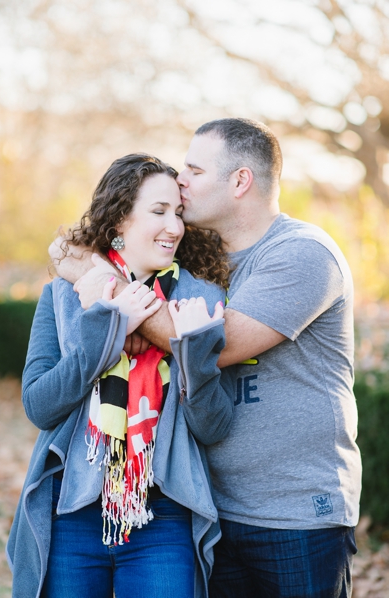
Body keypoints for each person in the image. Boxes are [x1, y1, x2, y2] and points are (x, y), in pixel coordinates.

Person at [52, 119, 361, 598]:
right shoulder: (196, 264)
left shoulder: (302, 254)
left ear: (240, 181)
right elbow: (110, 249)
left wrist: (108, 296)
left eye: (194, 171)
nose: (182, 181)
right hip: (212, 510)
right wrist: (77, 262)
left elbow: (215, 346)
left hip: (296, 514)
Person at [7, 153, 237, 598]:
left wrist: (191, 353)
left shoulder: (201, 300)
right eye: (158, 212)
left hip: (164, 516)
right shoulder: (66, 294)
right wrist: (107, 329)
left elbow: (213, 427)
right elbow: (40, 405)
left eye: (178, 213)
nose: (174, 227)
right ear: (118, 222)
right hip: (72, 508)